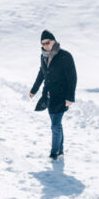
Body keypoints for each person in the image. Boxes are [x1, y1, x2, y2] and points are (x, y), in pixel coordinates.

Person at [29, 30, 77, 161]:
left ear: (54, 41)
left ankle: (54, 153)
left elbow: (72, 77)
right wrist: (34, 90)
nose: (45, 45)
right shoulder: (43, 56)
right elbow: (41, 74)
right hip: (49, 96)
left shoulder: (65, 56)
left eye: (47, 42)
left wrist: (70, 97)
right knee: (56, 124)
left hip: (61, 96)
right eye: (43, 43)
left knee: (55, 125)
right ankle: (60, 150)